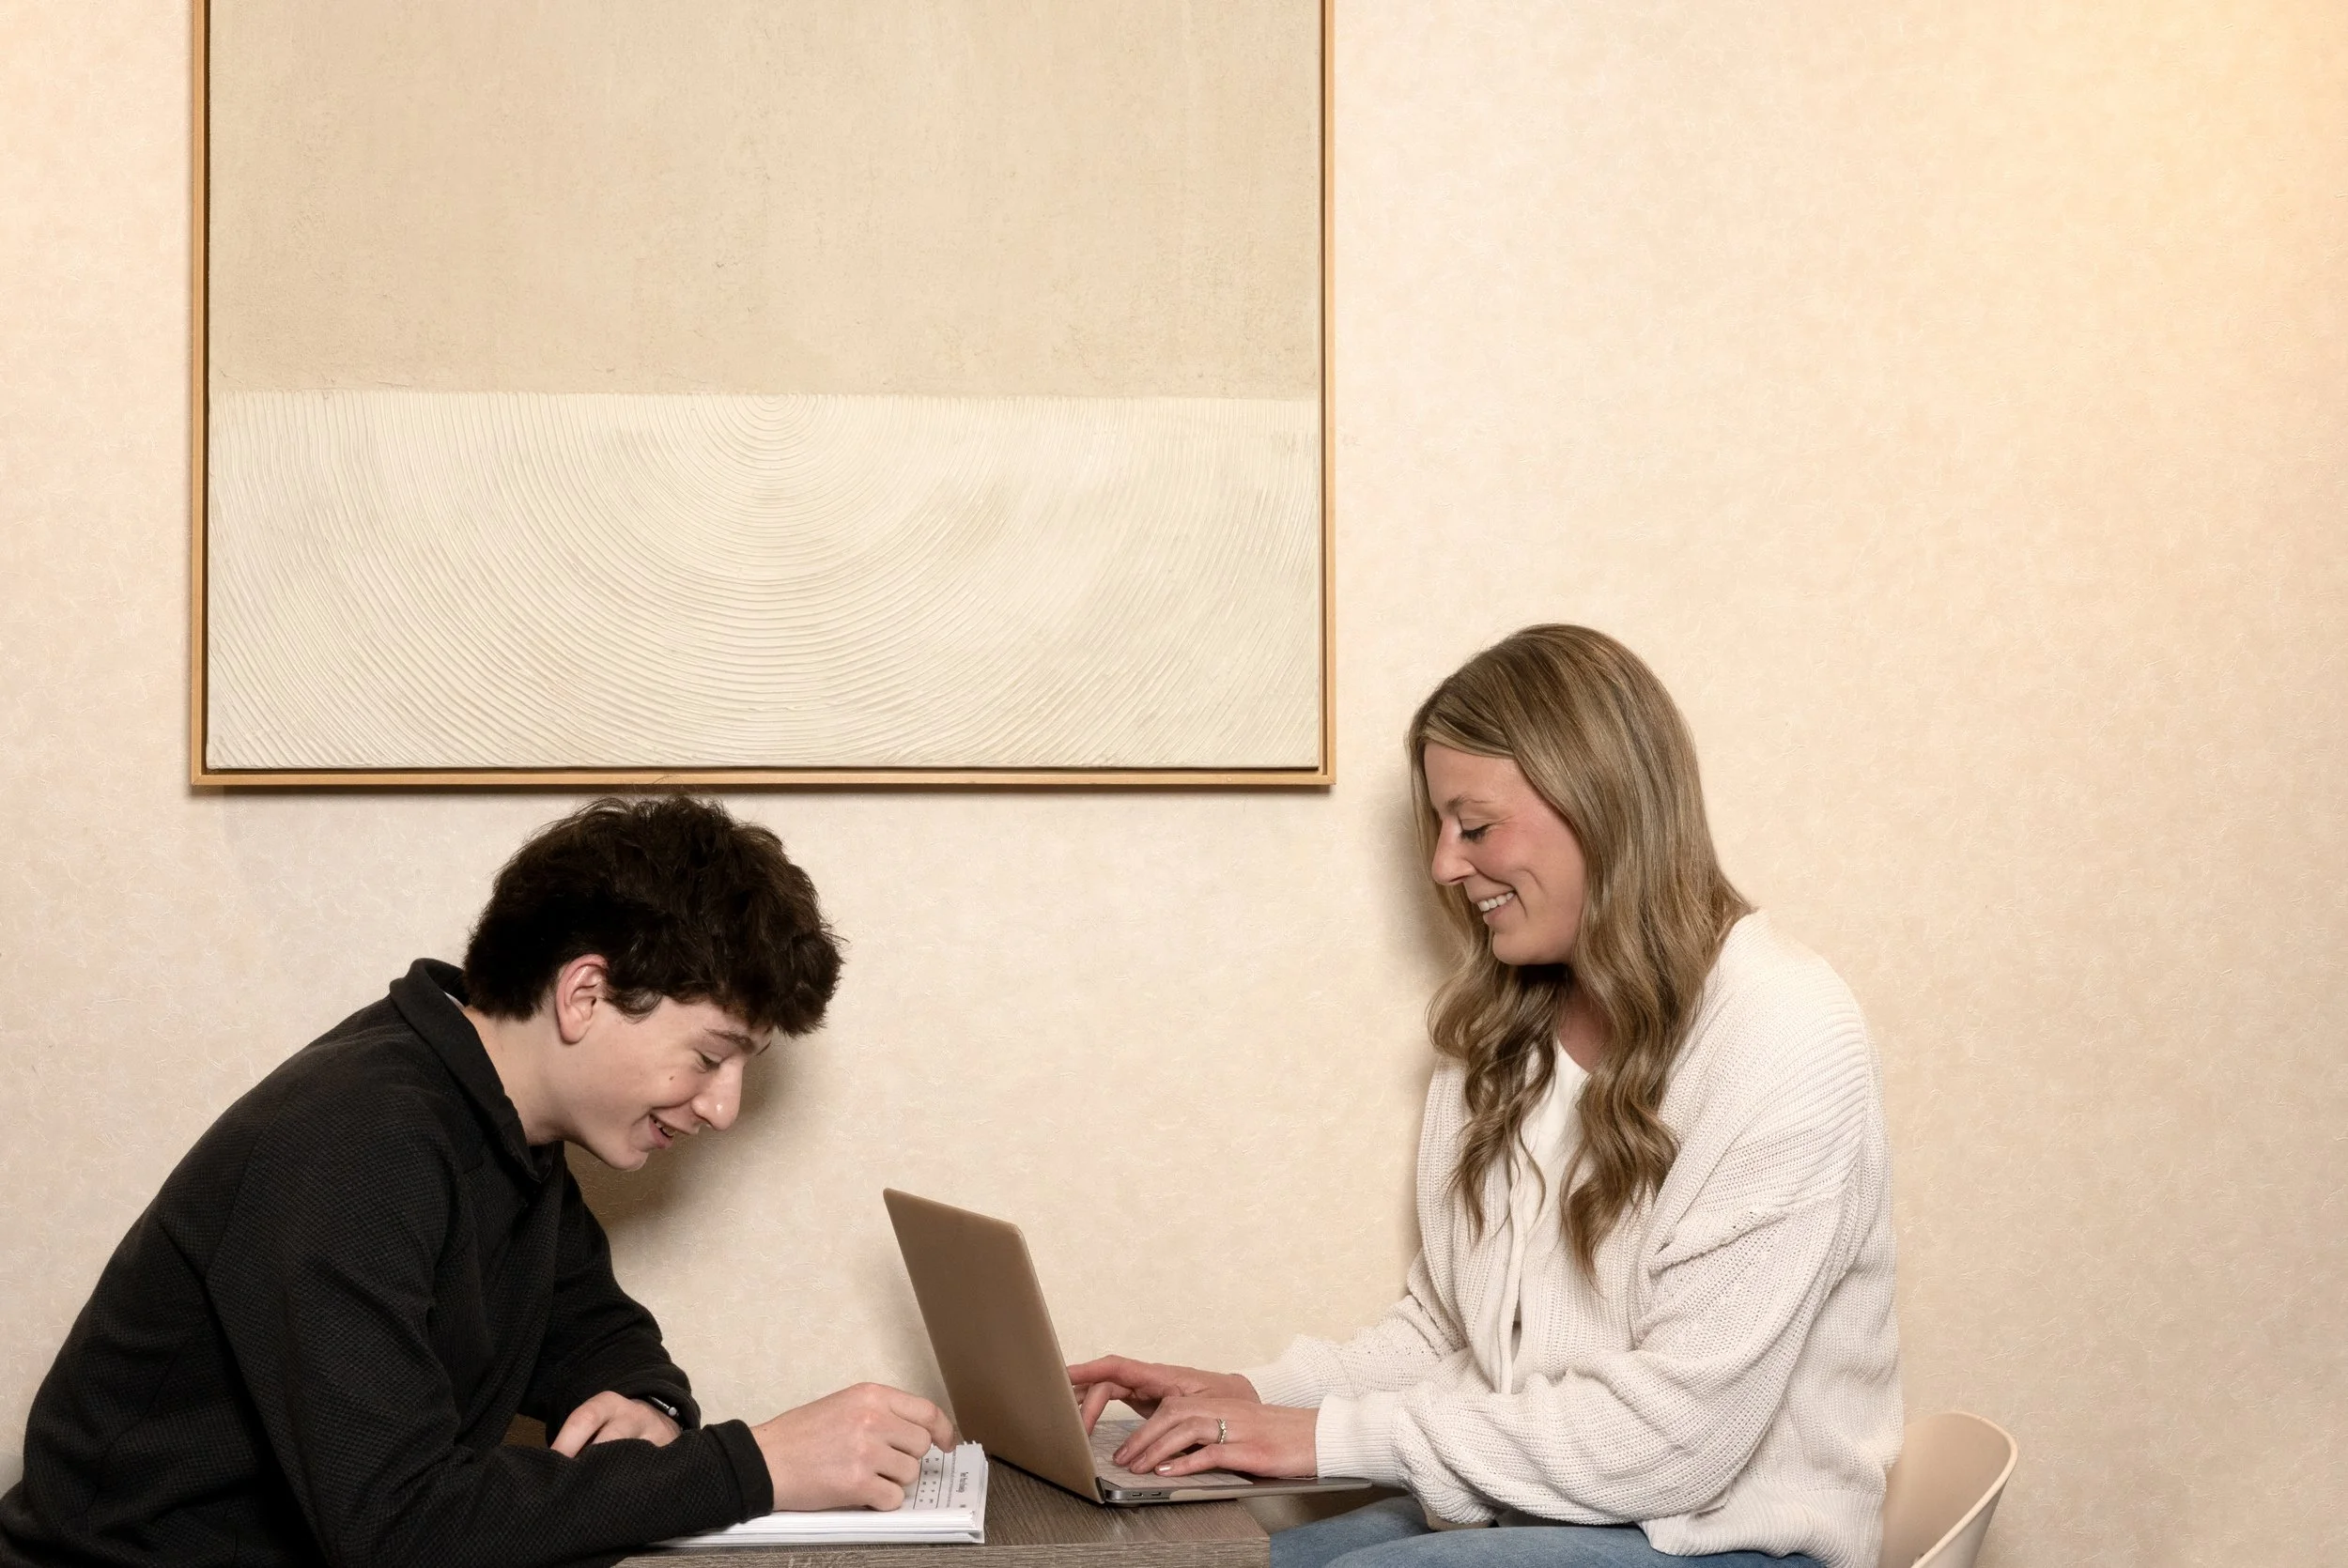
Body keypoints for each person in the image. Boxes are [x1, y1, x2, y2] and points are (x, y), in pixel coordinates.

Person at [1070, 626, 1901, 1568]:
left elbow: (1676, 1441)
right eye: (1436, 827)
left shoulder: (1785, 1029)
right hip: (1538, 1514)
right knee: (1196, 1561)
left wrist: (1322, 1438)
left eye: (1474, 825)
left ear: (1604, 805)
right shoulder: (1500, 1038)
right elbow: (1449, 1334)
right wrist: (1243, 1394)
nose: (1441, 866)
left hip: (1721, 1538)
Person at [0, 796, 953, 1568]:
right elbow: (397, 1520)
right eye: (710, 1055)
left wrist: (648, 1405)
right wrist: (754, 1464)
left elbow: (599, 1332)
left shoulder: (502, 1125)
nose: (723, 1106)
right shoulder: (358, 1140)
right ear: (584, 994)